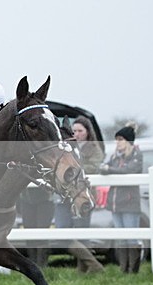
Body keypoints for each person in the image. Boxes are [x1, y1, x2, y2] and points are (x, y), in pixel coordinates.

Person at [55, 116, 105, 273]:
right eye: (74, 130)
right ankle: (95, 265)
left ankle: (82, 270)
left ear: (87, 132)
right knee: (62, 233)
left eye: (80, 131)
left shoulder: (94, 149)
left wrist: (72, 170)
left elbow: (93, 167)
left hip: (83, 194)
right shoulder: (64, 147)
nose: (76, 134)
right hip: (64, 196)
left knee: (82, 233)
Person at [99, 124, 143, 273]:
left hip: (130, 203)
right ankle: (124, 269)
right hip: (115, 203)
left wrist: (110, 170)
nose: (118, 142)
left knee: (131, 238)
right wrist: (107, 169)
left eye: (121, 139)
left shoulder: (136, 155)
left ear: (128, 141)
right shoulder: (113, 156)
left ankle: (134, 270)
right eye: (117, 139)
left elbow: (130, 170)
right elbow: (102, 168)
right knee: (121, 238)